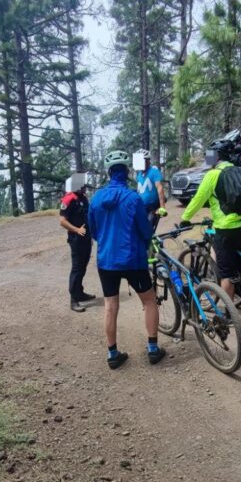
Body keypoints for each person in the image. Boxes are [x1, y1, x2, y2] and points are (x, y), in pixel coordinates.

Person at [88, 150, 166, 370]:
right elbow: (145, 230)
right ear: (126, 171)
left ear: (109, 172)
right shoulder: (133, 198)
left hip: (106, 261)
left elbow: (94, 231)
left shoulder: (96, 199)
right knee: (149, 301)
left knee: (110, 306)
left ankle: (113, 354)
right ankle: (152, 349)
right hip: (133, 260)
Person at [180, 137, 241, 313]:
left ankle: (229, 315)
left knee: (227, 274)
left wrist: (185, 218)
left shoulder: (212, 175)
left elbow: (198, 200)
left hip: (225, 228)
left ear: (216, 156)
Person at [59, 175, 96, 313]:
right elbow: (62, 221)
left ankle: (80, 293)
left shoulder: (83, 198)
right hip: (76, 239)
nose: (84, 187)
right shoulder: (69, 199)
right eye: (82, 185)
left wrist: (90, 235)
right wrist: (76, 230)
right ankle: (74, 299)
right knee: (77, 268)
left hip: (86, 238)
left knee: (83, 267)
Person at [133, 149, 168, 230]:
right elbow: (139, 191)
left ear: (147, 161)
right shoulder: (139, 174)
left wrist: (162, 207)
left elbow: (159, 188)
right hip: (142, 208)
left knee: (148, 229)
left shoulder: (154, 171)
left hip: (153, 208)